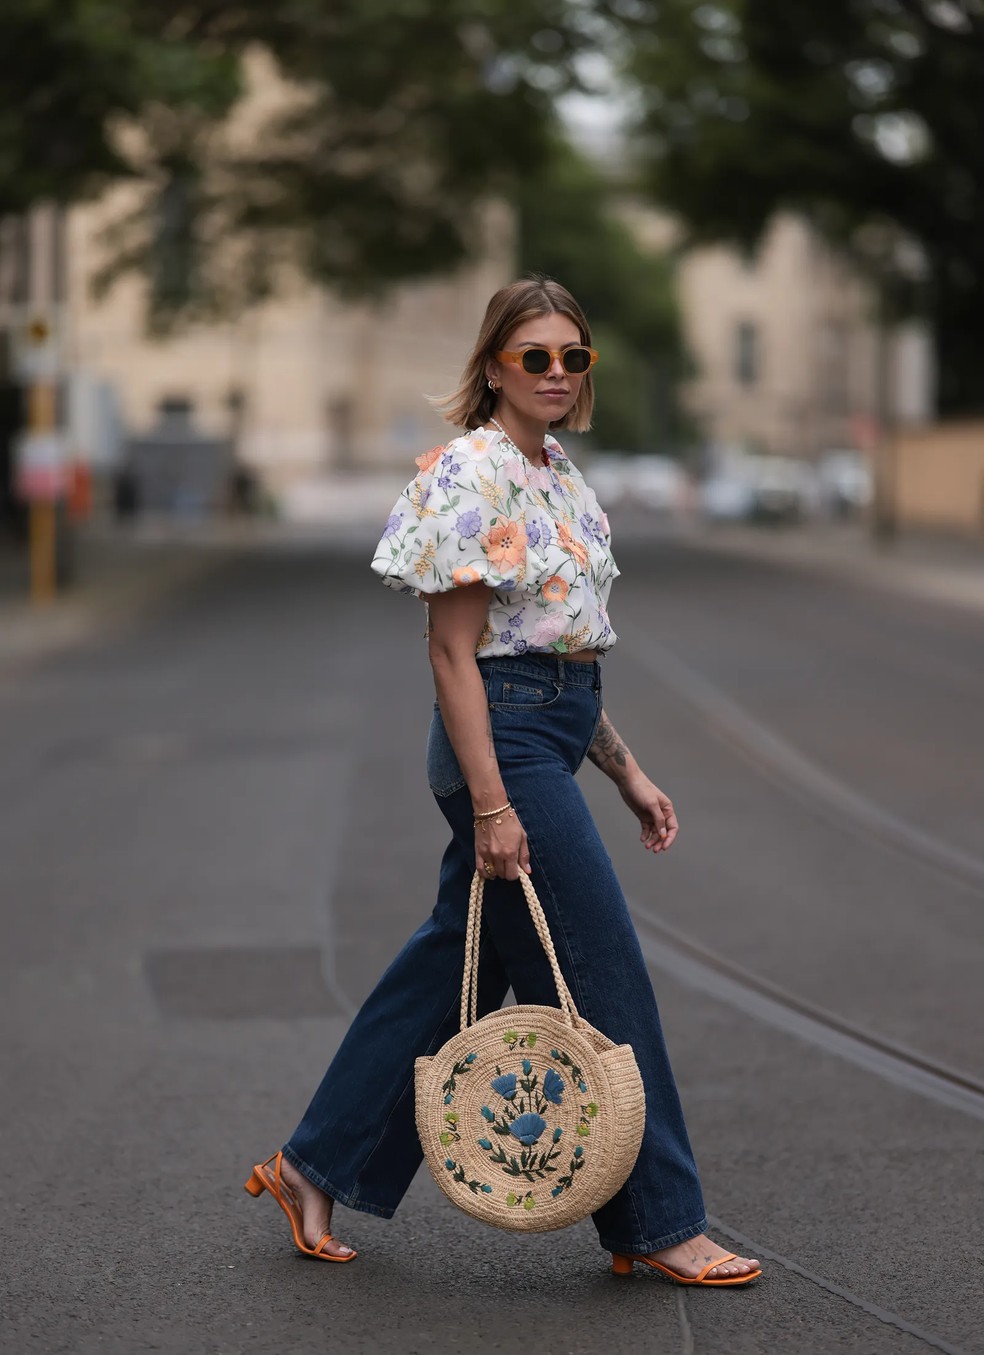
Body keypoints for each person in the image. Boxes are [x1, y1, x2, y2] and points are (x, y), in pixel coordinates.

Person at [245, 277, 761, 1287]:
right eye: (536, 356)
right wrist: (491, 803)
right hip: (503, 747)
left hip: (549, 733)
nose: (557, 372)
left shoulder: (556, 471)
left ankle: (311, 1166)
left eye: (574, 356)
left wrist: (626, 768)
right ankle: (659, 1220)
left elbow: (559, 648)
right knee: (604, 966)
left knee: (456, 970)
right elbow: (456, 654)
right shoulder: (473, 471)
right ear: (494, 366)